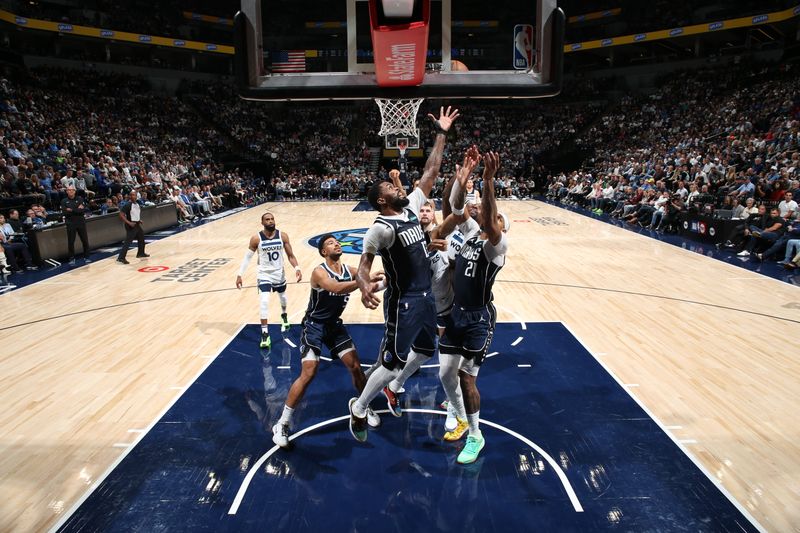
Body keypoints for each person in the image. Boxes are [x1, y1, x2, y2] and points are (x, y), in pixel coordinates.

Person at [346, 106, 459, 442]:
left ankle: (393, 388)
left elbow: (430, 172)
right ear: (382, 200)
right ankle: (361, 404)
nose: (399, 188)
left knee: (425, 350)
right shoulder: (379, 228)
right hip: (404, 301)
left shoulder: (410, 206)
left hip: (426, 297)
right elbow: (364, 264)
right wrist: (364, 286)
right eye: (390, 187)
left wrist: (441, 133)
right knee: (393, 360)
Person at [271, 234, 381, 448]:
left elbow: (366, 279)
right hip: (314, 326)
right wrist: (363, 282)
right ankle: (282, 423)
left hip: (334, 326)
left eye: (336, 242)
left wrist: (381, 279)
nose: (336, 244)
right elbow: (337, 288)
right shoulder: (319, 272)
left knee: (356, 367)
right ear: (323, 252)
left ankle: (362, 406)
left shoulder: (349, 270)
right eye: (331, 243)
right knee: (309, 372)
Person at [439, 151, 509, 464]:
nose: (480, 210)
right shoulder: (469, 235)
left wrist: (488, 180)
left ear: (499, 226)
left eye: (490, 212)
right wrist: (461, 179)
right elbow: (455, 207)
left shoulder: (497, 247)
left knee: (467, 375)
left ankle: (475, 435)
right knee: (445, 374)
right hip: (456, 313)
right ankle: (458, 414)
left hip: (480, 318)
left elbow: (491, 219)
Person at [236, 212, 302, 349]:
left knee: (283, 298)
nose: (271, 221)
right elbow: (247, 258)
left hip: (279, 273)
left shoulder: (283, 236)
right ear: (262, 223)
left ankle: (284, 315)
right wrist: (239, 274)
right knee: (264, 301)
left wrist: (297, 268)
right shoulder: (256, 238)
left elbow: (291, 255)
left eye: (272, 219)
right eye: (267, 219)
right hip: (264, 274)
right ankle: (265, 334)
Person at [60, 185, 92, 265]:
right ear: (66, 191)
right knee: (71, 241)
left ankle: (87, 257)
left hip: (81, 222)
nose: (70, 191)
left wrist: (71, 210)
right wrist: (76, 209)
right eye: (69, 190)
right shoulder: (64, 201)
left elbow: (82, 211)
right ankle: (71, 258)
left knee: (85, 240)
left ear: (75, 191)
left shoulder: (80, 199)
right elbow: (65, 212)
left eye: (72, 190)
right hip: (70, 223)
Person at [117, 190, 149, 264]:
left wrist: (139, 220)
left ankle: (140, 253)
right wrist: (129, 222)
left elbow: (135, 214)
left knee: (141, 238)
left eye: (134, 195)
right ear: (129, 196)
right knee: (128, 242)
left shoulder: (137, 204)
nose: (133, 196)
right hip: (131, 225)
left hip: (137, 224)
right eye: (132, 195)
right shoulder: (127, 205)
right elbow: (121, 214)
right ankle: (121, 258)